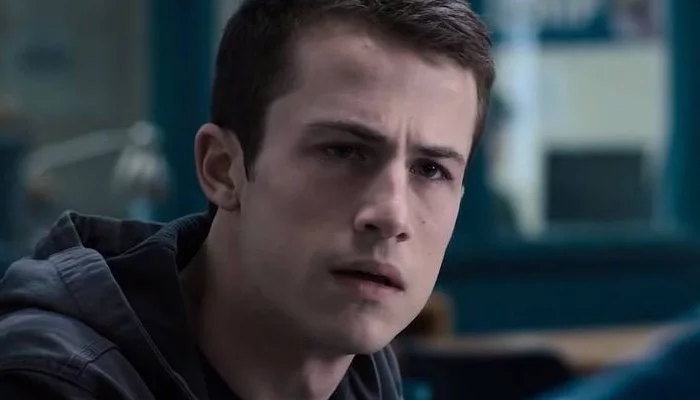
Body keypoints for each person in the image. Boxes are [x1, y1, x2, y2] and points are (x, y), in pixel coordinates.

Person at [0, 0, 494, 398]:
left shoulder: (362, 373)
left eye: (431, 170)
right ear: (223, 169)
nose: (391, 214)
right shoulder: (54, 381)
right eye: (344, 151)